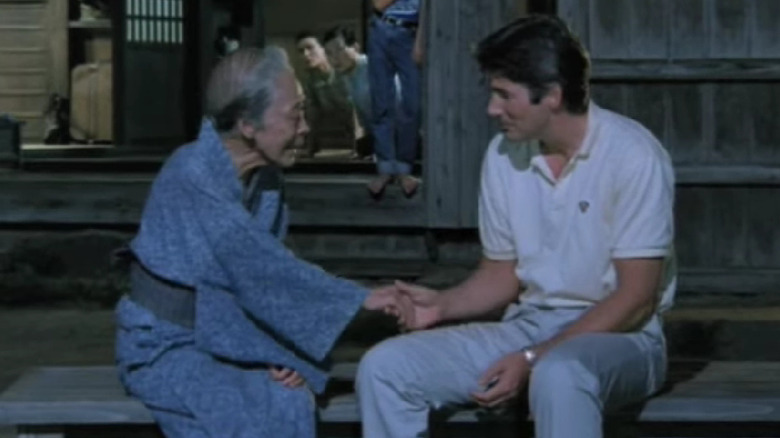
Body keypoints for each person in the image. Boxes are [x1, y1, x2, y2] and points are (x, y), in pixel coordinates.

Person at [357, 15, 676, 438]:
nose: (492, 109)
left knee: (559, 374)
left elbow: (636, 298)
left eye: (504, 94)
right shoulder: (505, 154)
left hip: (624, 338)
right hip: (529, 324)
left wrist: (532, 358)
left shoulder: (633, 155)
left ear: (553, 97)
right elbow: (502, 274)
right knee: (385, 367)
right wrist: (442, 306)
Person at [114, 47, 405, 438]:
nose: (304, 127)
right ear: (248, 124)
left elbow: (270, 272)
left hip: (225, 334)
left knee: (288, 394)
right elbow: (257, 267)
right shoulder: (192, 172)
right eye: (294, 113)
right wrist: (359, 298)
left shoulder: (266, 179)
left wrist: (272, 348)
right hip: (166, 344)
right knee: (245, 418)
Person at [367, 0, 423, 197]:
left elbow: (429, 12)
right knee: (381, 101)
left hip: (410, 33)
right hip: (382, 26)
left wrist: (420, 42)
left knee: (412, 103)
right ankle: (385, 167)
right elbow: (378, 4)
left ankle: (404, 168)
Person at [295, 31, 355, 158]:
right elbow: (312, 117)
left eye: (310, 48)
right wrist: (310, 149)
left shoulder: (343, 72)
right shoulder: (312, 81)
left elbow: (357, 111)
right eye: (301, 51)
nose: (306, 55)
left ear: (323, 50)